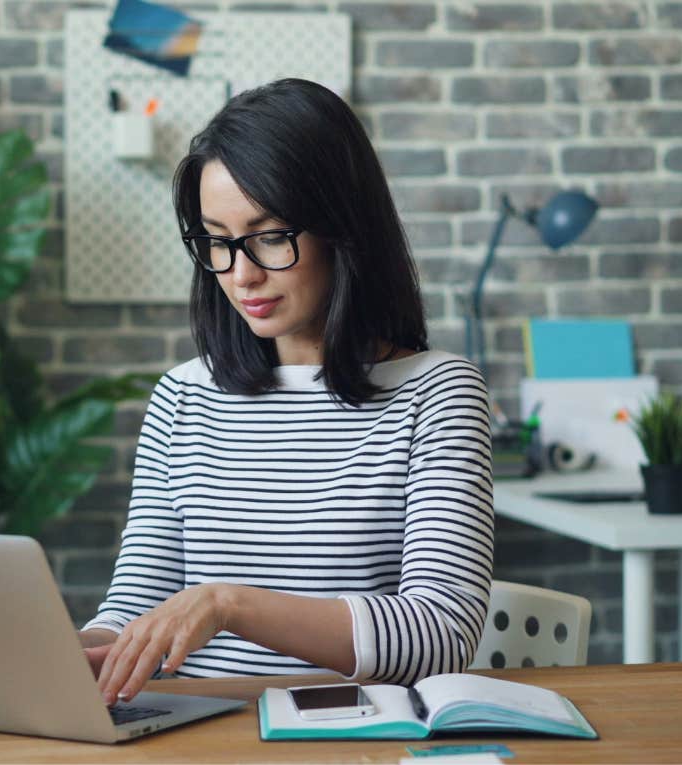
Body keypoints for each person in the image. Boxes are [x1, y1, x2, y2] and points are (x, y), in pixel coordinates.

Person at [79, 78, 494, 707]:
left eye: (269, 236)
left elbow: (441, 633)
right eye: (218, 241)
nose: (241, 274)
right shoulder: (184, 396)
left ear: (342, 229)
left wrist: (227, 604)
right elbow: (139, 600)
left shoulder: (436, 394)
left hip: (353, 738)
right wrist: (82, 655)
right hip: (196, 736)